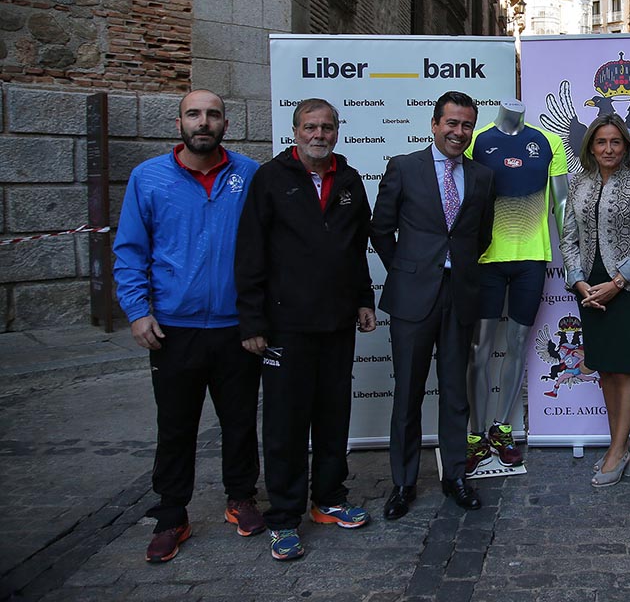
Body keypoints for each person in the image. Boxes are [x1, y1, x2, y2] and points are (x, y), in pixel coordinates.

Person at [113, 89, 263, 563]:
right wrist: (138, 311)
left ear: (225, 123)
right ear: (179, 122)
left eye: (212, 114)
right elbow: (130, 251)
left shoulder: (250, 175)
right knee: (175, 425)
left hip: (236, 326)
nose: (204, 122)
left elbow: (267, 250)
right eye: (194, 114)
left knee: (240, 421)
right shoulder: (148, 178)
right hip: (173, 328)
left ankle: (240, 498)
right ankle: (172, 513)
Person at [236, 98, 376, 562]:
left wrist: (363, 298)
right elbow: (251, 252)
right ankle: (283, 517)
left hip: (337, 322)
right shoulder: (271, 179)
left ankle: (329, 500)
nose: (319, 135)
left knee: (333, 415)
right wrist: (253, 321)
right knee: (285, 423)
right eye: (310, 127)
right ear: (295, 131)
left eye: (327, 128)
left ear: (337, 132)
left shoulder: (351, 180)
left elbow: (357, 249)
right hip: (285, 326)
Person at [371, 91, 496, 518]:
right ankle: (403, 484)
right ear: (434, 124)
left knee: (456, 393)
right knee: (407, 391)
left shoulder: (482, 176)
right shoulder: (404, 168)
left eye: (466, 125)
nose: (458, 132)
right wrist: (405, 270)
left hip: (459, 292)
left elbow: (482, 235)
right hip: (412, 296)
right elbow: (381, 229)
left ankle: (455, 475)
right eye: (451, 123)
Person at [465, 99, 568, 471]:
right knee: (479, 348)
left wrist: (572, 265)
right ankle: (475, 435)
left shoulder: (548, 141)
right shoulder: (475, 140)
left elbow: (563, 204)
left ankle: (502, 429)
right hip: (486, 260)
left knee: (518, 344)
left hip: (531, 260)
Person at [559, 114, 630, 487]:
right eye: (601, 142)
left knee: (625, 368)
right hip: (590, 290)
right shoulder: (579, 183)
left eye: (615, 142)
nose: (608, 149)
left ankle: (617, 450)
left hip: (628, 289)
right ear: (590, 147)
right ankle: (621, 443)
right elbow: (567, 238)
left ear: (626, 146)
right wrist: (580, 283)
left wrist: (617, 282)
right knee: (604, 369)